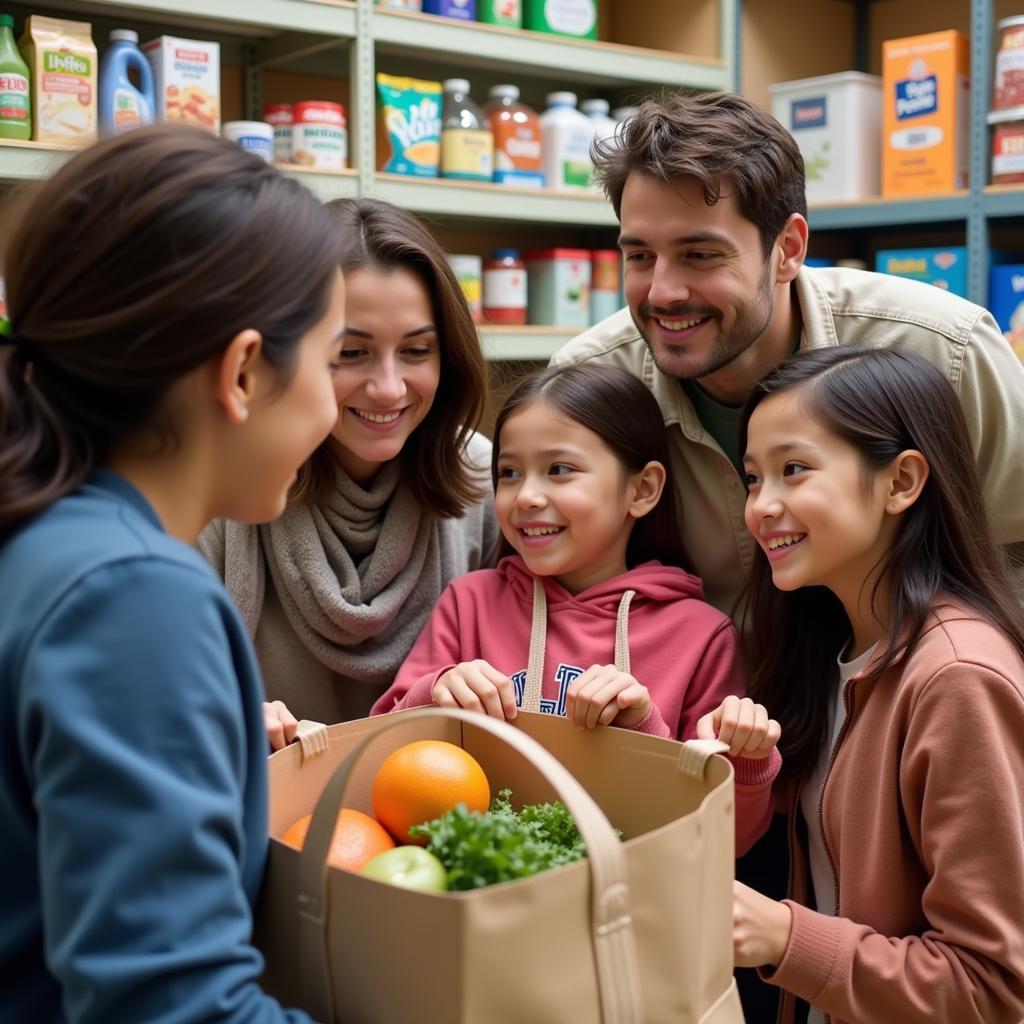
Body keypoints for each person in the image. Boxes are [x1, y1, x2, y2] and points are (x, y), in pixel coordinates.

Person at [0, 125, 348, 1021]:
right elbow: (169, 1002)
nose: (336, 403)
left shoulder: (43, 534)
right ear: (241, 372)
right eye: (332, 356)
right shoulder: (132, 597)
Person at [550, 90, 1024, 620]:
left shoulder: (944, 350)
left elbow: (1015, 560)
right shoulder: (587, 382)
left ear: (789, 249)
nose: (661, 292)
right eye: (639, 256)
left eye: (700, 255)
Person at [372, 364, 780, 855]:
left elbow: (729, 839)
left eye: (559, 470)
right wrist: (433, 692)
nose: (526, 496)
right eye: (509, 473)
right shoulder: (470, 601)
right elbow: (380, 755)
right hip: (474, 895)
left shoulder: (701, 635)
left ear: (643, 489)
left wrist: (647, 726)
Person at [733, 346, 1024, 1024]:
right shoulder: (832, 648)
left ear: (901, 482)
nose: (762, 506)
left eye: (794, 470)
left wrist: (785, 937)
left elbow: (995, 987)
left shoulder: (957, 679)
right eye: (752, 479)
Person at [200, 198, 499, 742]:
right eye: (352, 354)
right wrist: (224, 715)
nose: (388, 387)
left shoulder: (485, 475)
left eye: (416, 350)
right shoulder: (225, 489)